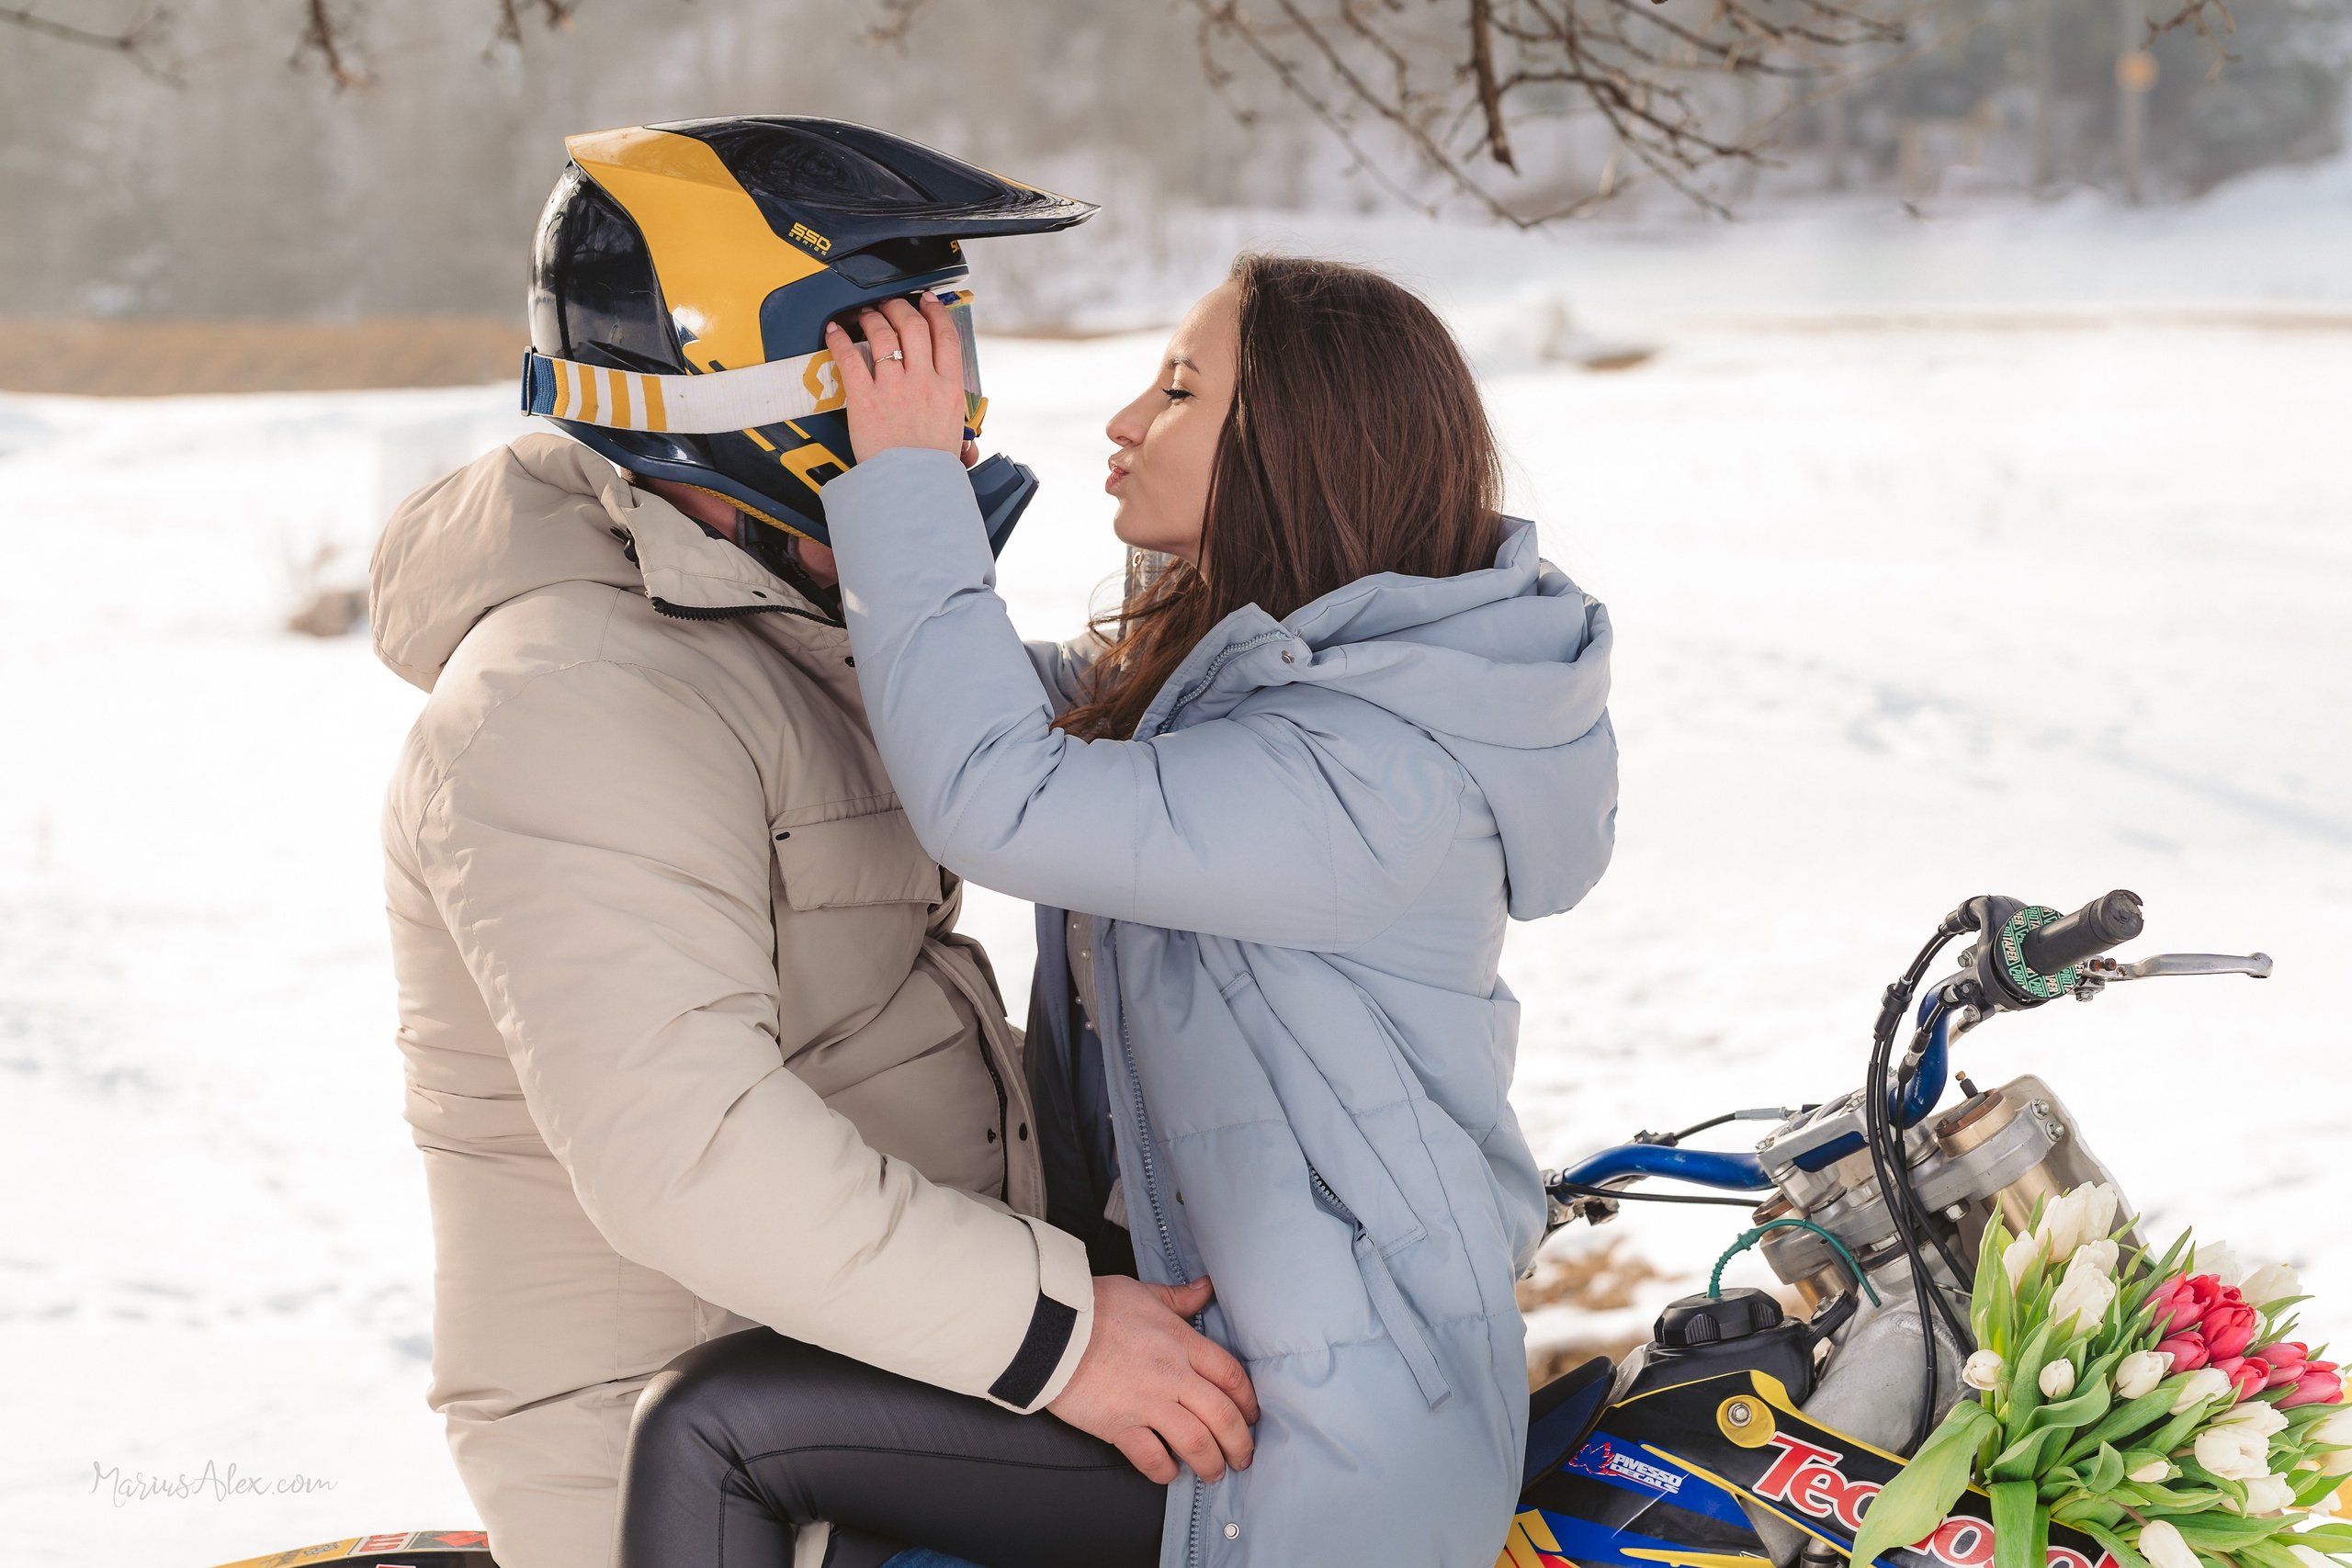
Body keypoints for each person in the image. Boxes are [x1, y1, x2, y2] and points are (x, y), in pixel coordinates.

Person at [614, 254, 1620, 1567]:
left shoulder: (1374, 774)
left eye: (1180, 389)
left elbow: (996, 794)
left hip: (1307, 1441)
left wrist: (908, 481)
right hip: (1215, 1353)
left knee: (713, 1428)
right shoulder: (1244, 696)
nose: (1126, 422)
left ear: (1296, 445)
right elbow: (963, 707)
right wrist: (786, 538)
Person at [372, 117, 1253, 1568]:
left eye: (955, 371)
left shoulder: (768, 635)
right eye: (906, 376)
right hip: (706, 1466)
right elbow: (689, 1148)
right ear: (769, 401)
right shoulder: (574, 700)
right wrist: (1063, 1337)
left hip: (888, 1379)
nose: (958, 430)